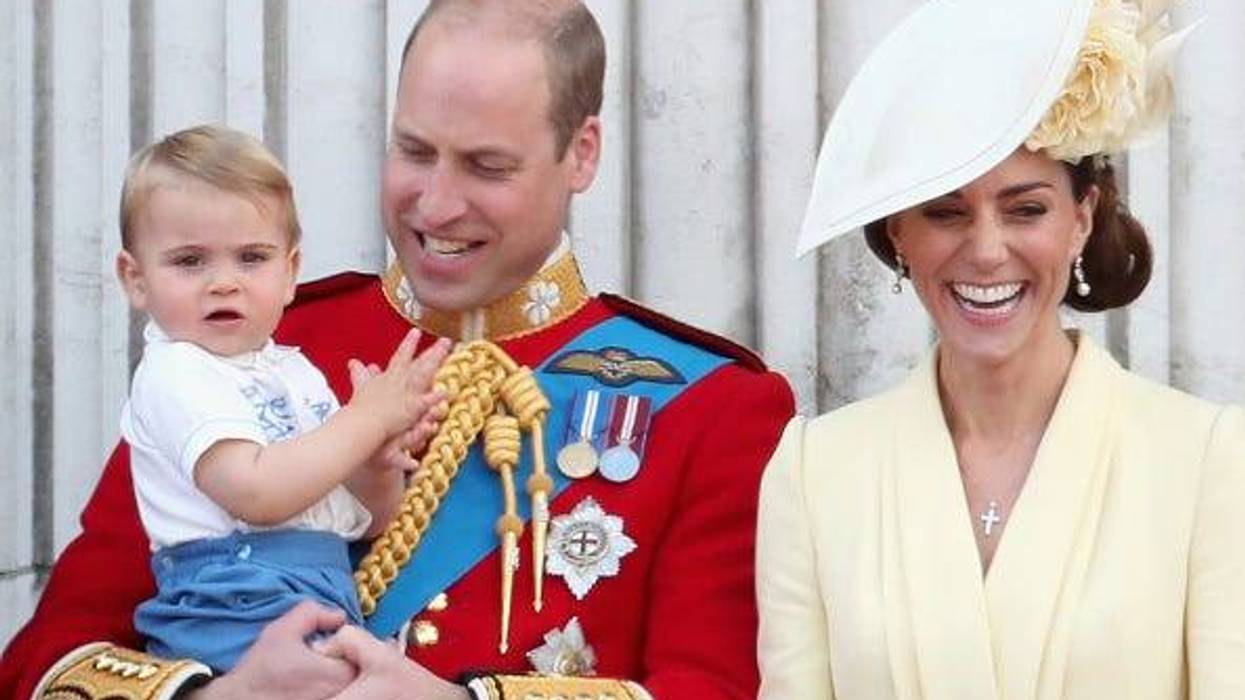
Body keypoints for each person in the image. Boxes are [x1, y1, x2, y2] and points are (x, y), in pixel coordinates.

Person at [0, 2, 795, 699]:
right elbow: (47, 660)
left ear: (581, 153)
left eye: (487, 166)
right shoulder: (253, 346)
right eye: (413, 152)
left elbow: (713, 691)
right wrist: (220, 694)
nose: (436, 205)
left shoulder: (711, 406)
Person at [757, 0, 1245, 697]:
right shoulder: (814, 472)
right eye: (945, 212)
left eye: (1025, 210)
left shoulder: (1207, 459)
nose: (986, 250)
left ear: (1081, 219)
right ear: (898, 232)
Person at [112, 124, 450, 673]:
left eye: (251, 258)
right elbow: (257, 492)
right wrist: (365, 421)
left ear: (290, 272)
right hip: (232, 598)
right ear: (136, 278)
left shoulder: (295, 372)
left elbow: (369, 522)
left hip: (314, 589)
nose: (224, 282)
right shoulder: (175, 371)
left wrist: (378, 463)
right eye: (190, 261)